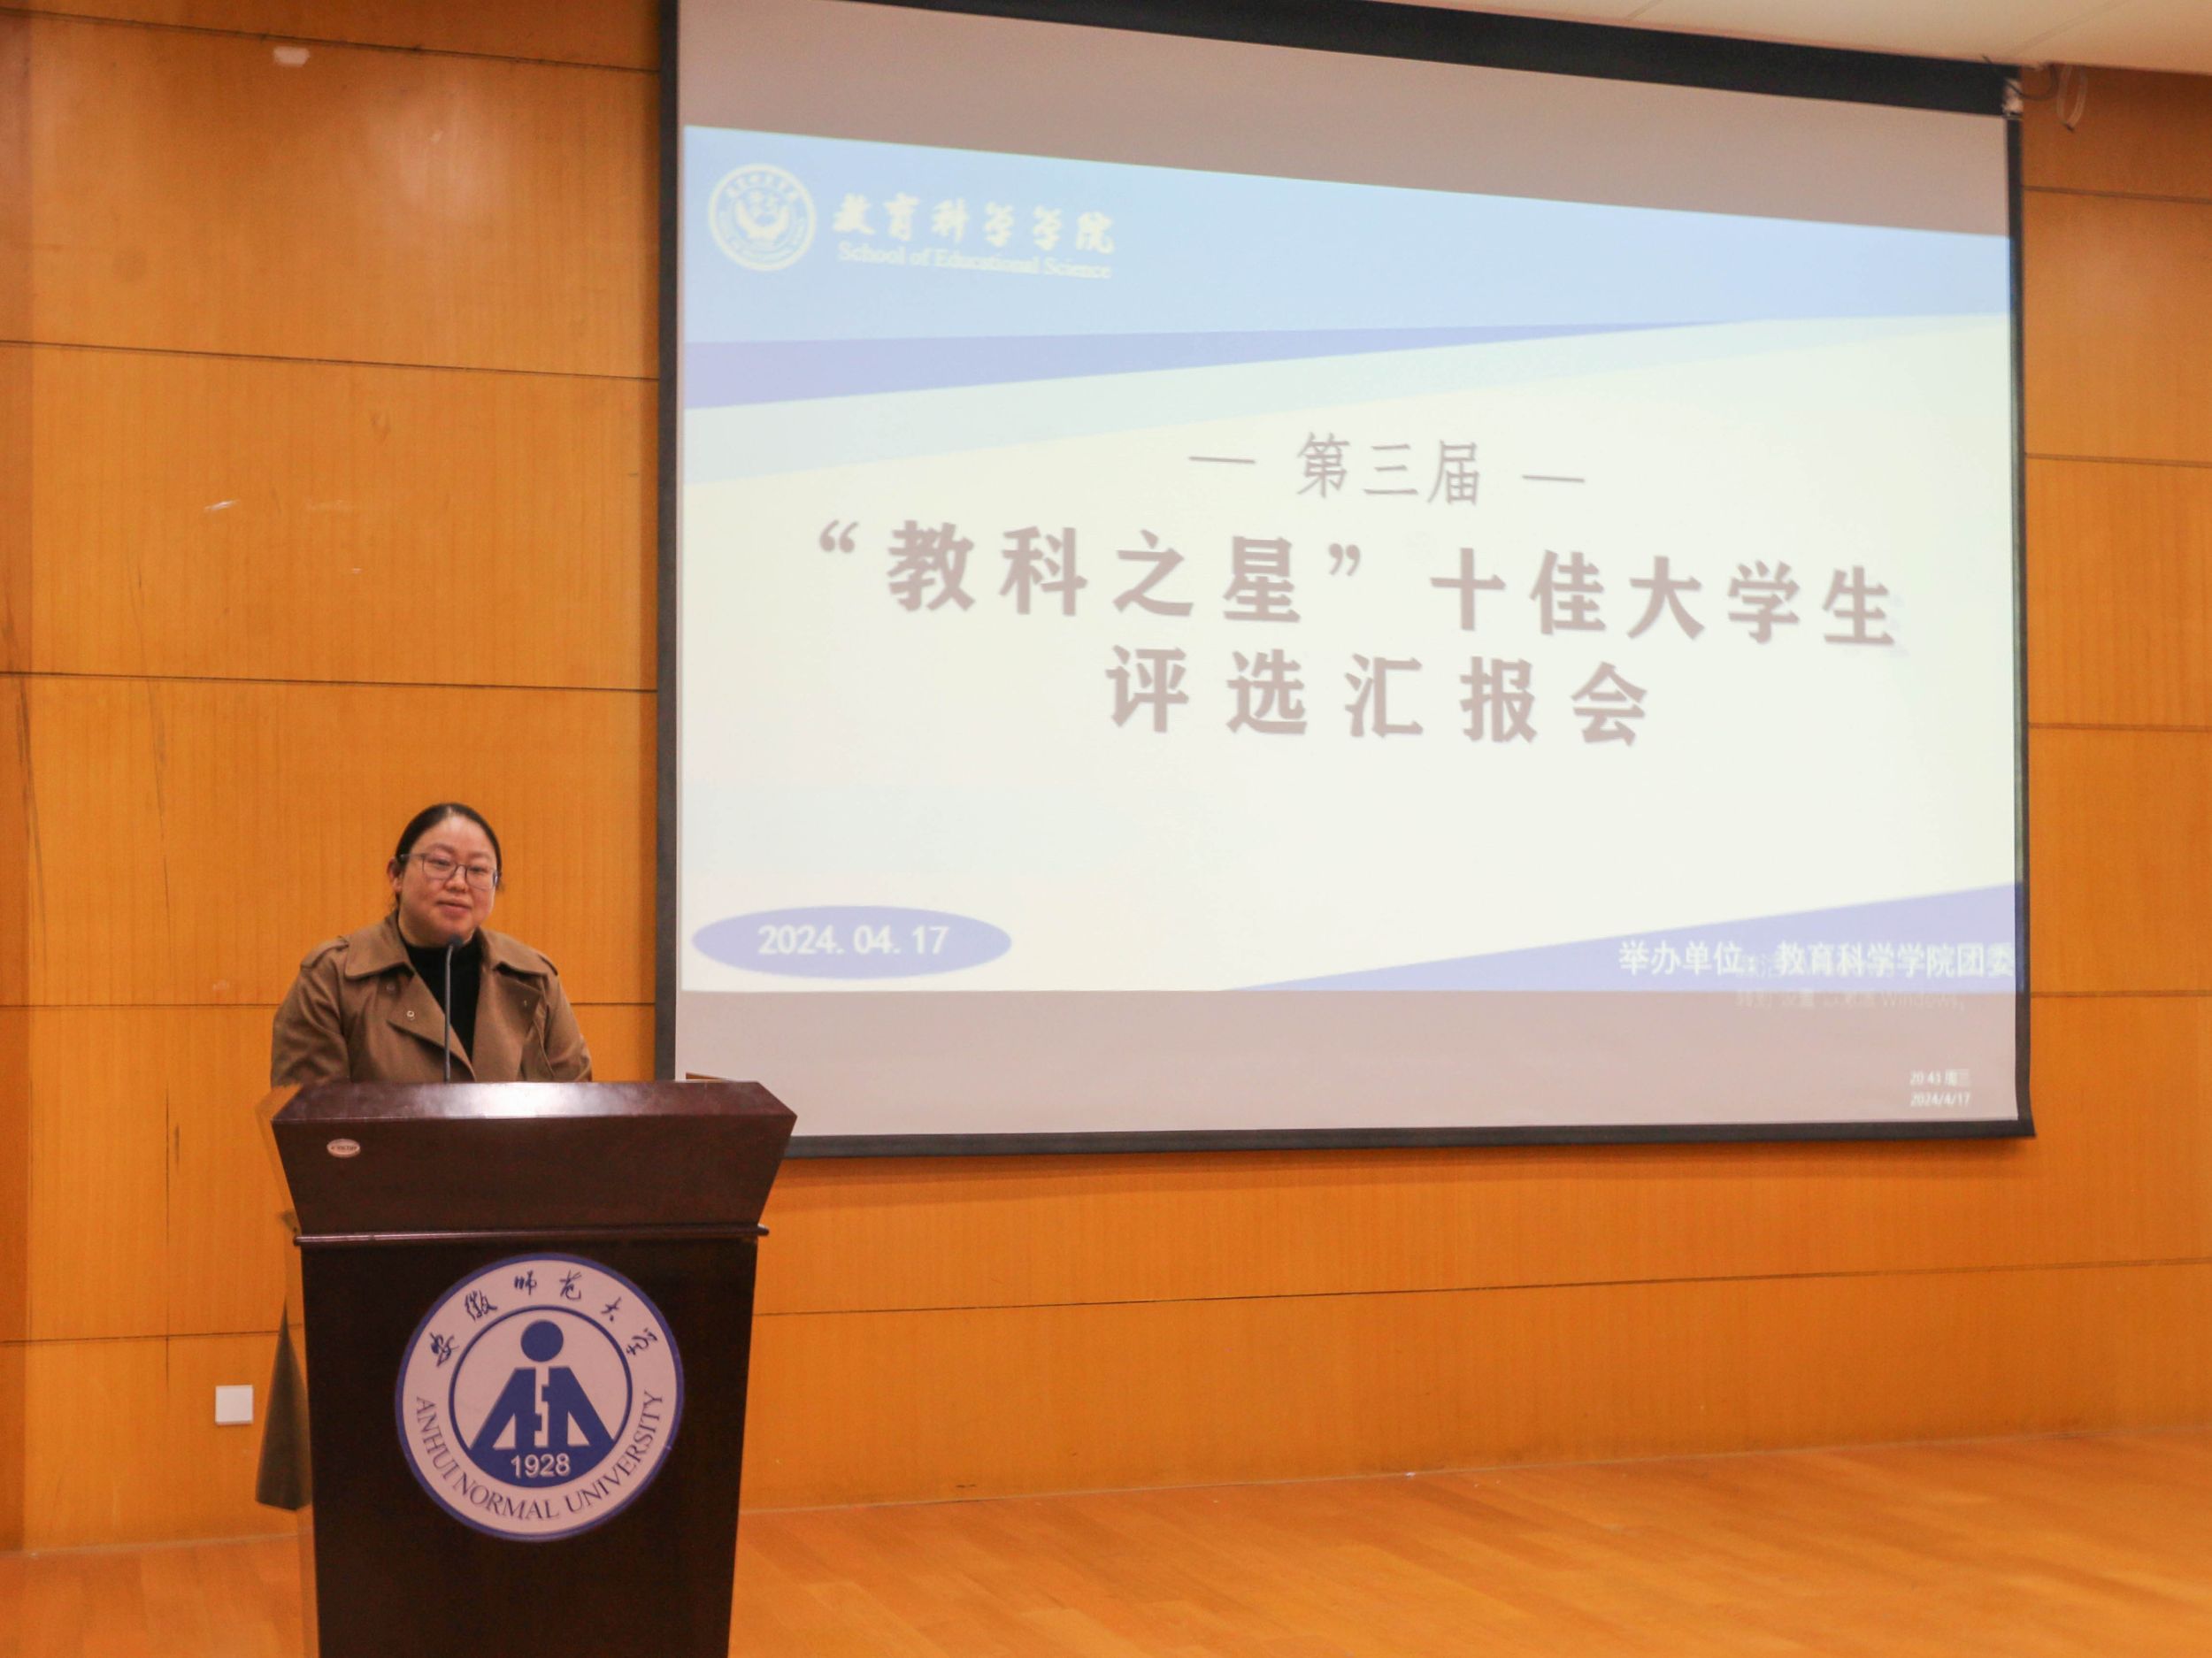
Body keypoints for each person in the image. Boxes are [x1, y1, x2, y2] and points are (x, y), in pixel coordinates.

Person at [270, 802, 591, 1086]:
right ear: (396, 875)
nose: (459, 883)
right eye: (440, 863)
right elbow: (310, 1120)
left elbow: (579, 1107)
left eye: (479, 870)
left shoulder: (534, 976)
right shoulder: (332, 977)